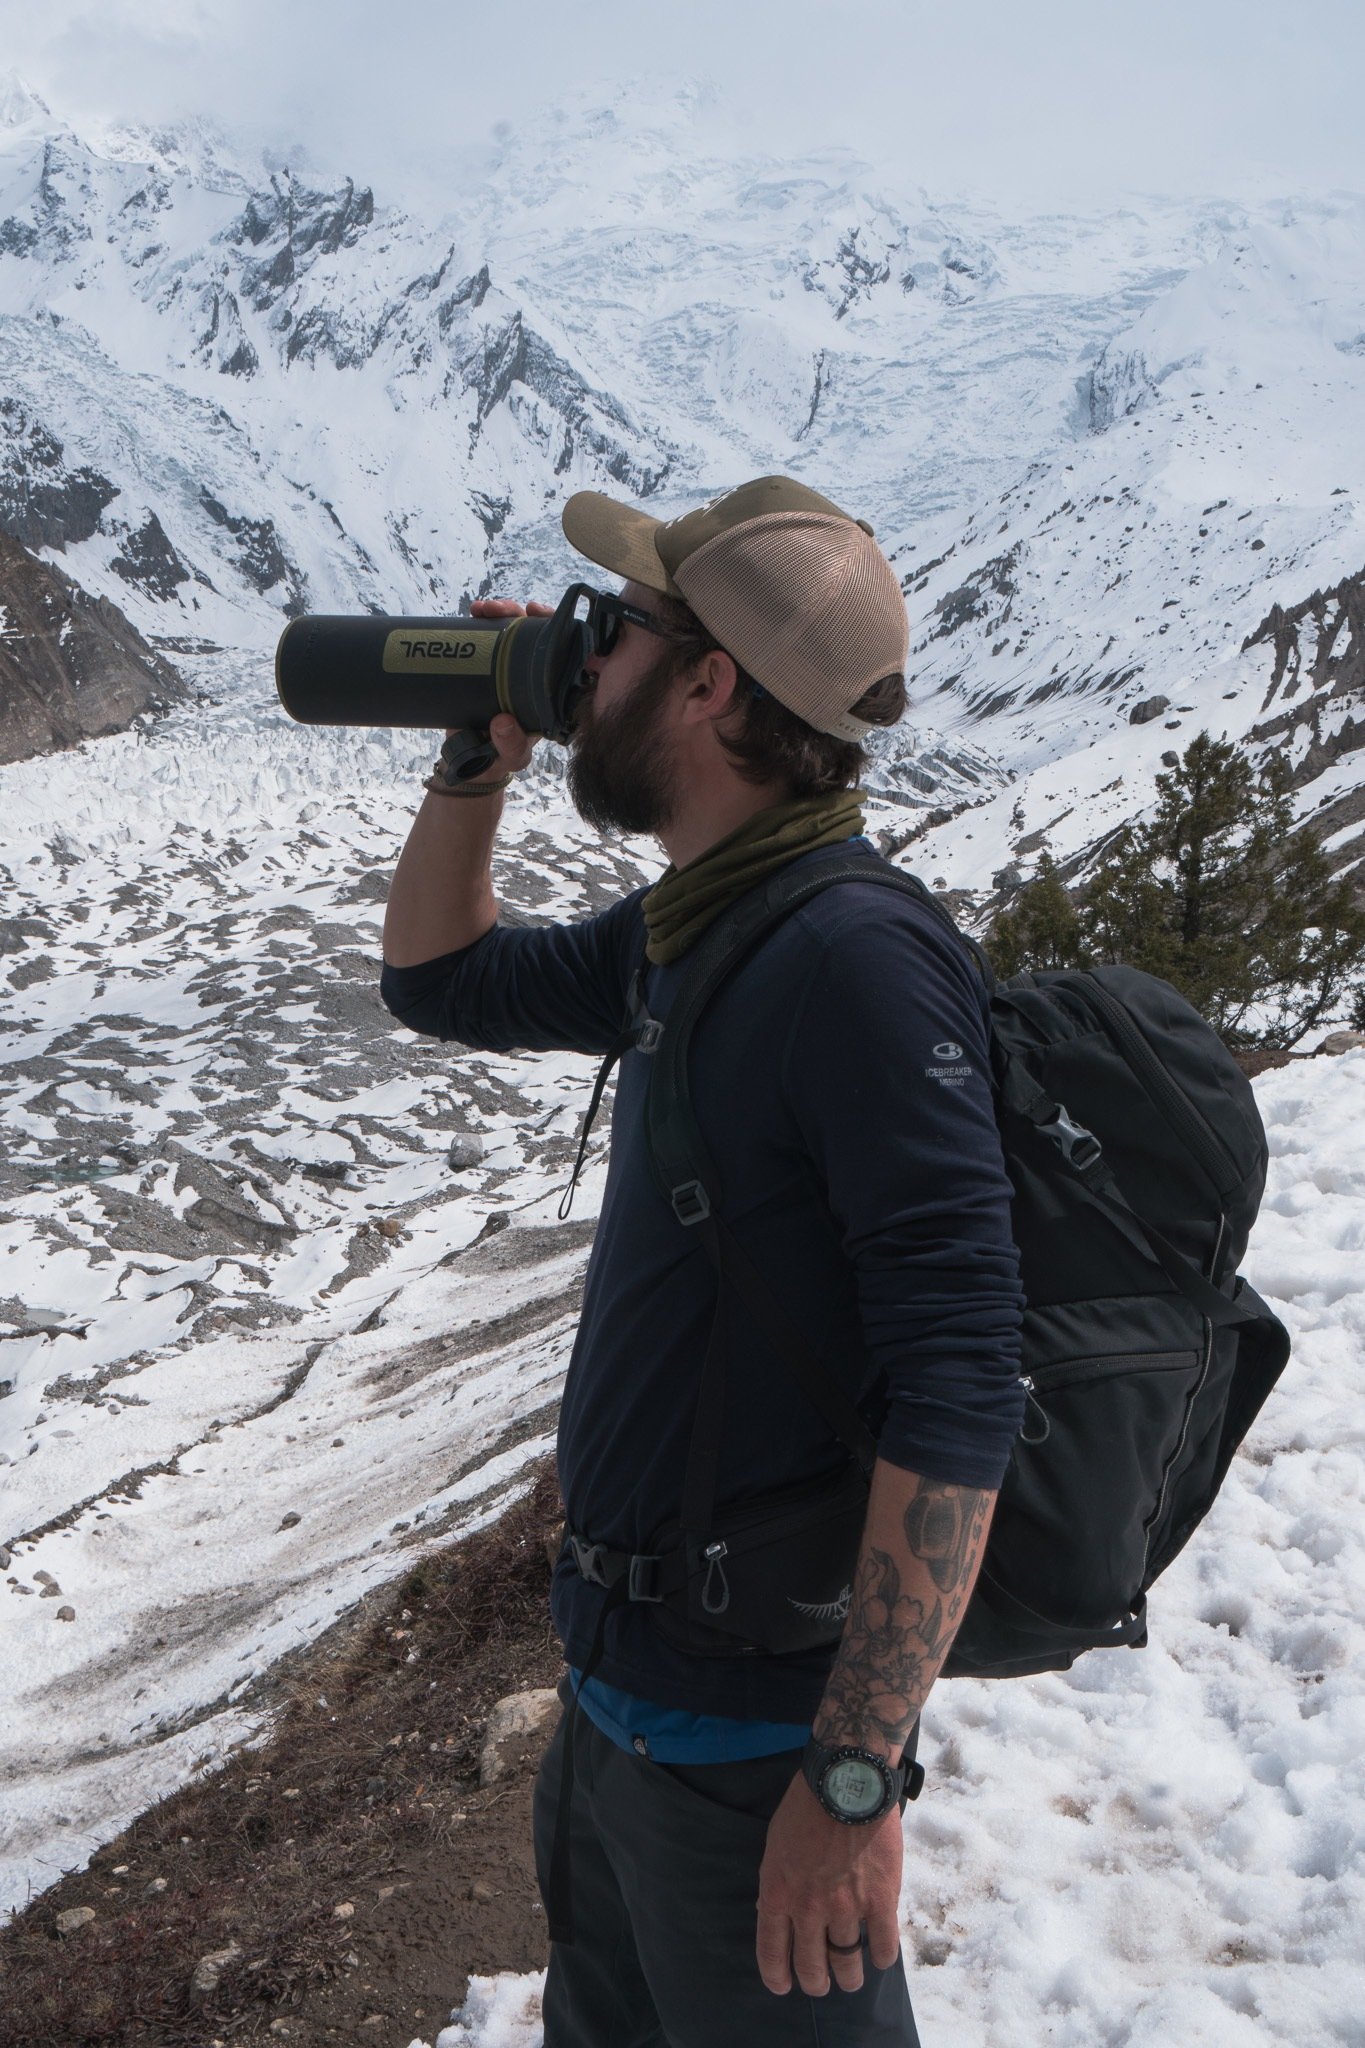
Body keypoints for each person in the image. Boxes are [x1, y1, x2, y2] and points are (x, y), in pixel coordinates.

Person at [381, 475, 1024, 2046]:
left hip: (756, 1754)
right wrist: (480, 752)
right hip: (621, 1711)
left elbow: (963, 1377)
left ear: (709, 683)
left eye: (613, 632)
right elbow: (439, 979)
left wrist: (854, 1780)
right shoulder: (704, 921)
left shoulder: (850, 964)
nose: (579, 654)